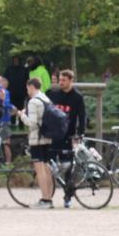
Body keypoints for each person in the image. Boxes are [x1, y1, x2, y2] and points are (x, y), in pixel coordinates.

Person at [47, 69, 87, 207]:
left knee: (68, 167)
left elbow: (82, 117)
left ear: (71, 80)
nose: (61, 83)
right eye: (60, 80)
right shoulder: (54, 94)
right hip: (54, 134)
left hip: (68, 136)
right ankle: (47, 195)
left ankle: (67, 197)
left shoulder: (77, 97)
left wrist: (80, 133)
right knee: (49, 163)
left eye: (64, 80)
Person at [17, 78, 55, 209]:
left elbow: (32, 123)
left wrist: (22, 115)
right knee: (47, 169)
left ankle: (45, 199)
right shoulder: (45, 99)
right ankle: (49, 197)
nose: (27, 91)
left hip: (37, 139)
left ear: (31, 87)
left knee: (40, 170)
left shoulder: (33, 102)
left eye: (27, 88)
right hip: (47, 138)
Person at [0, 75, 16, 164]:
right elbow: (6, 104)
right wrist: (12, 107)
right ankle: (8, 163)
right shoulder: (4, 91)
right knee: (6, 142)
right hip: (4, 120)